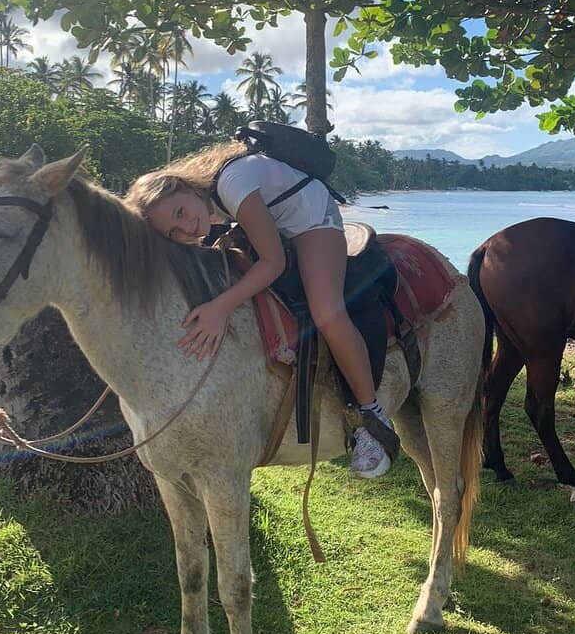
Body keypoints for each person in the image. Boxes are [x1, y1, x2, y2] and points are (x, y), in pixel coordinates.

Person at [126, 141, 398, 478]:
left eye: (180, 213)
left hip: (313, 221)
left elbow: (274, 262)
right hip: (280, 222)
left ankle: (372, 417)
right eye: (174, 231)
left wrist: (220, 308)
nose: (187, 228)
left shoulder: (232, 184)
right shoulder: (211, 200)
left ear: (184, 187)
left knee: (327, 311)